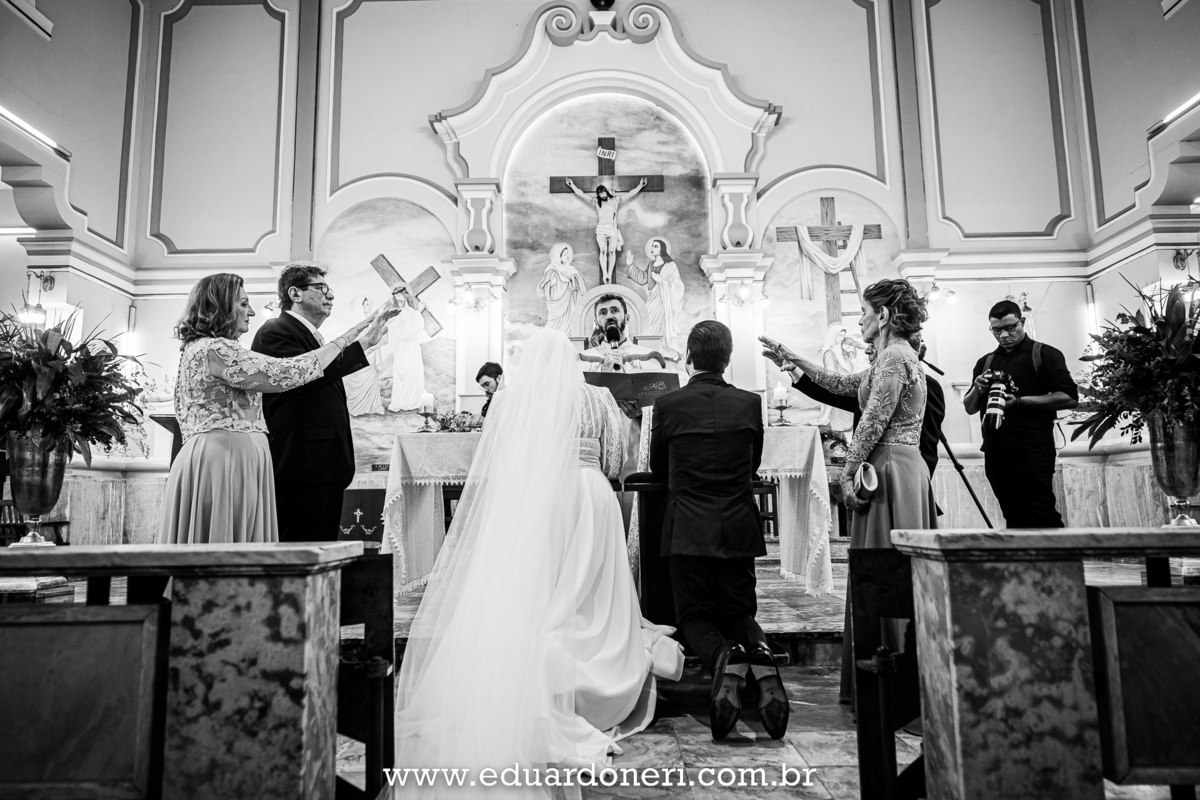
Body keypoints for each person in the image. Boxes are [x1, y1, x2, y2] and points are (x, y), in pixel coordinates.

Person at [395, 329, 682, 793]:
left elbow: (499, 460)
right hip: (590, 495)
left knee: (536, 585)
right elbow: (616, 459)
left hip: (533, 500)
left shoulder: (509, 401)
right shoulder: (598, 398)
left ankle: (530, 660)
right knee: (590, 587)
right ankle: (592, 664)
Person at [761, 278, 936, 707]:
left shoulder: (894, 357)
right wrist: (794, 360)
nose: (860, 318)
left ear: (885, 316)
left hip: (891, 467)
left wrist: (848, 471)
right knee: (885, 567)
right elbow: (843, 386)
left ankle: (891, 683)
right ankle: (891, 679)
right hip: (899, 467)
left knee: (883, 569)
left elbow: (874, 419)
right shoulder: (894, 357)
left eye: (865, 311)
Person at [159, 273, 393, 544]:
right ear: (221, 305)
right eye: (244, 303)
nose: (252, 311)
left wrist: (359, 334)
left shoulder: (197, 349)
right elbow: (290, 373)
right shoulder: (219, 350)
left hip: (219, 452)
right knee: (226, 538)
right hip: (225, 458)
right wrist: (356, 336)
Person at [650, 320, 789, 741]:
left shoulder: (669, 405)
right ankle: (761, 652)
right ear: (727, 360)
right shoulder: (749, 403)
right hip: (736, 525)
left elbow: (659, 468)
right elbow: (752, 466)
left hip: (688, 525)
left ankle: (723, 657)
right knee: (738, 611)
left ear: (689, 356)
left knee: (692, 614)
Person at [251, 263, 400, 543]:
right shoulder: (275, 331)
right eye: (320, 288)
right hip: (302, 462)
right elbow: (307, 377)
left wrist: (367, 341)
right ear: (294, 293)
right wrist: (365, 343)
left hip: (321, 462)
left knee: (321, 543)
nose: (329, 295)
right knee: (300, 544)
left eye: (329, 289)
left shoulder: (311, 335)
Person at [964, 299, 1078, 528]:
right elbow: (969, 407)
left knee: (1041, 510)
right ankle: (1022, 564)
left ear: (1022, 321)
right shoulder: (985, 362)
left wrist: (1018, 401)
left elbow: (1069, 397)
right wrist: (978, 387)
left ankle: (1058, 563)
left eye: (1010, 327)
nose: (1004, 335)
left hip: (1033, 446)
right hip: (996, 448)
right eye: (997, 330)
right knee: (1012, 514)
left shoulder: (1044, 354)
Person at [781, 339, 946, 479]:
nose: (867, 351)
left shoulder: (928, 385)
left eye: (873, 345)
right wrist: (795, 371)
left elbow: (927, 444)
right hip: (870, 476)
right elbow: (833, 393)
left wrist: (919, 482)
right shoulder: (871, 384)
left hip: (903, 475)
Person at [565, 177, 648, 283]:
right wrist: (572, 185)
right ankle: (605, 274)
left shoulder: (615, 200)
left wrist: (640, 185)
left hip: (612, 229)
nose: (601, 195)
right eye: (599, 193)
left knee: (612, 250)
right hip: (601, 229)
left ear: (605, 191)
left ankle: (609, 273)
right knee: (603, 250)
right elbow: (582, 194)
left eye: (602, 192)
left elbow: (630, 194)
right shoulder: (596, 202)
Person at [629, 237, 685, 357]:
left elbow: (678, 285)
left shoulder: (670, 265)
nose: (652, 248)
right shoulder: (651, 265)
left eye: (655, 246)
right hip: (652, 300)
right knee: (651, 324)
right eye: (652, 246)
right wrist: (630, 266)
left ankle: (665, 349)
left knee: (663, 325)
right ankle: (654, 350)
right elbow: (643, 278)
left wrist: (662, 281)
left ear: (662, 249)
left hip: (664, 301)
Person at [581, 293, 658, 373]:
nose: (609, 316)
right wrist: (603, 370)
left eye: (614, 311)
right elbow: (577, 384)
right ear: (596, 323)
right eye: (603, 313)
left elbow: (658, 384)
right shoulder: (584, 360)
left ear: (627, 318)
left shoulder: (649, 357)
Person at [344, 297, 386, 416]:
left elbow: (382, 338)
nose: (368, 307)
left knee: (371, 382)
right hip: (361, 356)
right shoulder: (359, 324)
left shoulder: (375, 323)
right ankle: (358, 408)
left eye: (369, 304)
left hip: (371, 357)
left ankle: (372, 407)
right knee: (358, 381)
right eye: (365, 305)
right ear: (362, 307)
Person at [386, 299, 428, 412]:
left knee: (413, 372)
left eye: (401, 296)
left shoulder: (411, 313)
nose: (399, 299)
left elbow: (414, 327)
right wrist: (418, 312)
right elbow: (402, 331)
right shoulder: (398, 315)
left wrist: (417, 313)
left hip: (412, 347)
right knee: (401, 373)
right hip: (402, 348)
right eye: (396, 297)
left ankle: (414, 401)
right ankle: (400, 401)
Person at [537, 242, 585, 333]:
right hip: (556, 304)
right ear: (558, 256)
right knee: (553, 328)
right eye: (564, 254)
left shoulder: (571, 270)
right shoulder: (553, 269)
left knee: (569, 326)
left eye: (568, 254)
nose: (567, 256)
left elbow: (578, 286)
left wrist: (571, 278)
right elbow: (543, 286)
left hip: (569, 304)